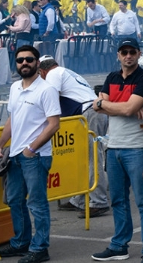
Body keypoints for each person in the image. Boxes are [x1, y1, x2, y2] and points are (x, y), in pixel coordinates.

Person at [91, 38, 143, 263]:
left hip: (137, 148)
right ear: (118, 55)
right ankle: (119, 245)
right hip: (113, 147)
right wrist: (124, 107)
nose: (128, 56)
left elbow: (121, 107)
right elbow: (97, 107)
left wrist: (108, 105)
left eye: (132, 52)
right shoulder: (112, 77)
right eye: (124, 52)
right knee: (118, 201)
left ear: (139, 54)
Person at [0, 46, 61, 263]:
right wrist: (1, 143)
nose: (24, 63)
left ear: (37, 63)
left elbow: (54, 124)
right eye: (20, 60)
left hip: (36, 156)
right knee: (15, 200)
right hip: (15, 154)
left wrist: (31, 149)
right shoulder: (15, 87)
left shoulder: (47, 90)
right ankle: (21, 242)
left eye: (29, 59)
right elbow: (12, 119)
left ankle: (40, 248)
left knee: (37, 203)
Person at [38, 56, 110, 218]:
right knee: (82, 159)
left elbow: (50, 98)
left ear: (42, 72)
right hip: (90, 113)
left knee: (92, 159)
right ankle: (79, 199)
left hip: (89, 114)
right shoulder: (66, 72)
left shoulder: (53, 74)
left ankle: (98, 201)